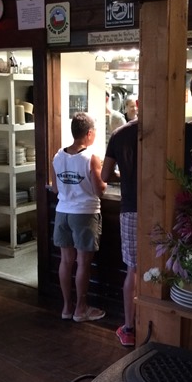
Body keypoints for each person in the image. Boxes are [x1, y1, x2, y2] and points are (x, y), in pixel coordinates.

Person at [51, 112, 107, 322]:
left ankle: (67, 308)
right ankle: (80, 310)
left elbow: (55, 189)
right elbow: (99, 190)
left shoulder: (58, 156)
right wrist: (105, 181)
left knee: (66, 261)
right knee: (83, 263)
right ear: (89, 133)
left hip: (62, 212)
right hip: (84, 213)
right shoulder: (91, 158)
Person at [101, 112, 138, 347]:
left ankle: (129, 328)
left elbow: (105, 175)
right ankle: (157, 324)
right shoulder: (170, 130)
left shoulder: (120, 134)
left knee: (133, 269)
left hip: (131, 209)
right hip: (162, 209)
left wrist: (125, 175)